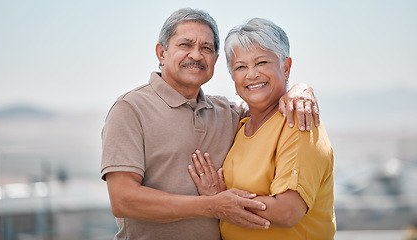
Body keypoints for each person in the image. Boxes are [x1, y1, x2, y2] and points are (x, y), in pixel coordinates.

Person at [101, 8, 320, 240]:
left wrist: (299, 89)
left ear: (215, 61)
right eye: (185, 45)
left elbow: (266, 98)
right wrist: (211, 205)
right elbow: (123, 200)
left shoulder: (229, 113)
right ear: (161, 53)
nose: (196, 55)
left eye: (206, 48)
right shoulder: (130, 109)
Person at [189, 18, 335, 239]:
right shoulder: (240, 127)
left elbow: (287, 211)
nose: (252, 74)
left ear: (286, 68)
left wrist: (219, 200)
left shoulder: (298, 123)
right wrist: (220, 200)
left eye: (262, 63)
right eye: (240, 67)